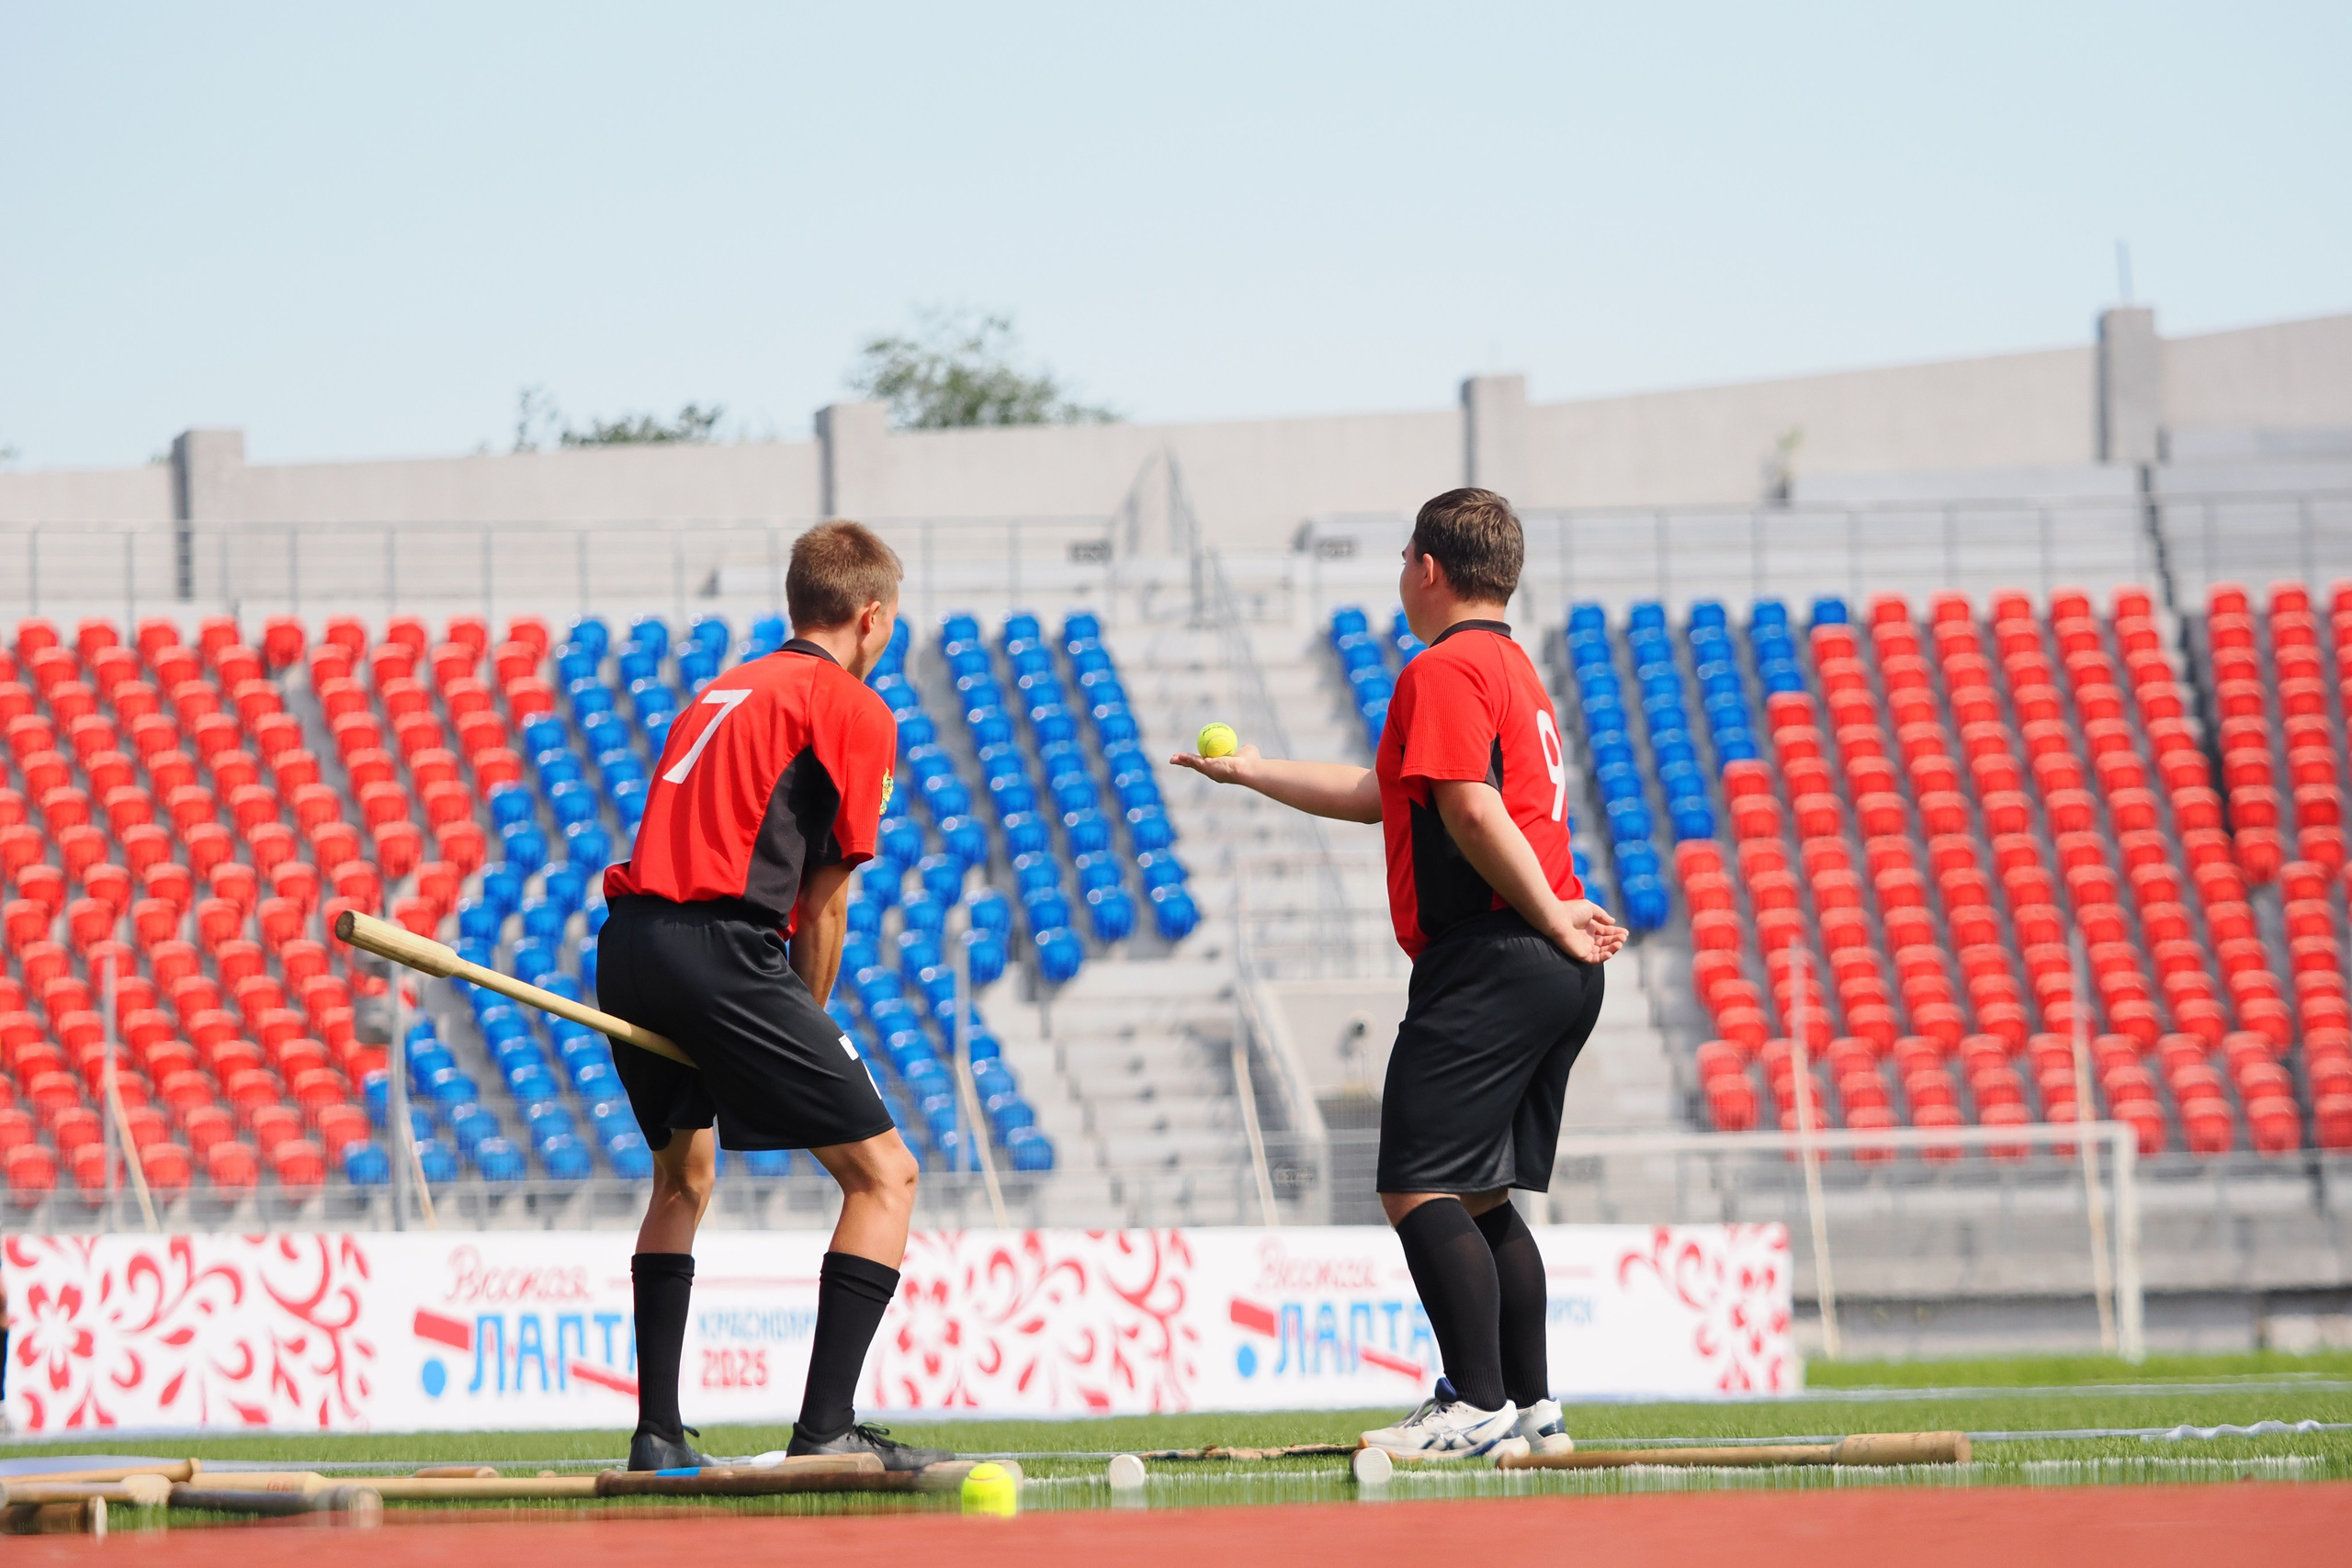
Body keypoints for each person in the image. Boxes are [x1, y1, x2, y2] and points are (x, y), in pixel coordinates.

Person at [1174, 487, 1626, 1460]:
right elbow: (1388, 798)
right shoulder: (1511, 668)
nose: (1397, 582)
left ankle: (1474, 1403)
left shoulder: (1441, 666)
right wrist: (1252, 772)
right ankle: (1532, 1412)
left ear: (1427, 569)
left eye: (1401, 564)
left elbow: (1467, 810)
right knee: (1479, 1194)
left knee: (1414, 1183)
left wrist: (1545, 911)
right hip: (1547, 958)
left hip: (1497, 951)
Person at [598, 519, 950, 1473]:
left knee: (683, 1180)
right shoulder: (845, 704)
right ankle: (825, 1430)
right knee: (886, 1177)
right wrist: (809, 1020)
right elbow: (825, 905)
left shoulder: (721, 688)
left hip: (628, 943)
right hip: (723, 950)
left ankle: (658, 1434)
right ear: (872, 618)